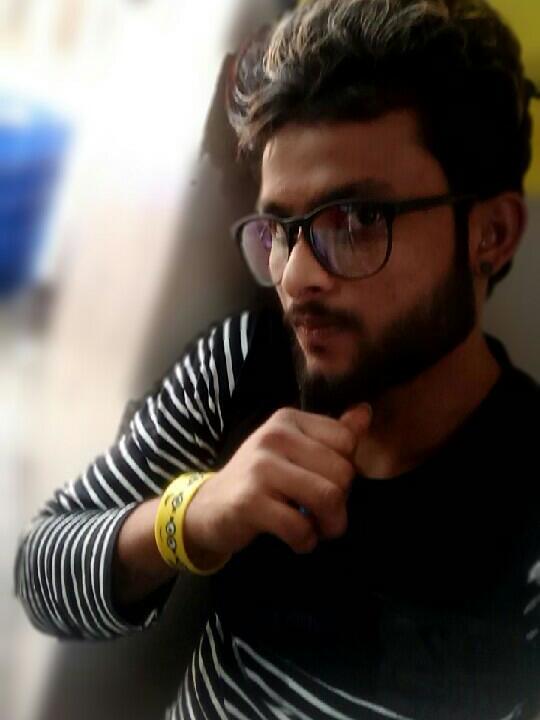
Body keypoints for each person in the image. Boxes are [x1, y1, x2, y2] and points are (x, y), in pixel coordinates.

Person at [14, 0, 540, 718]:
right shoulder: (242, 365)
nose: (294, 277)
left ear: (492, 234)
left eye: (357, 220)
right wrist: (190, 518)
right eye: (280, 230)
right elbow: (39, 574)